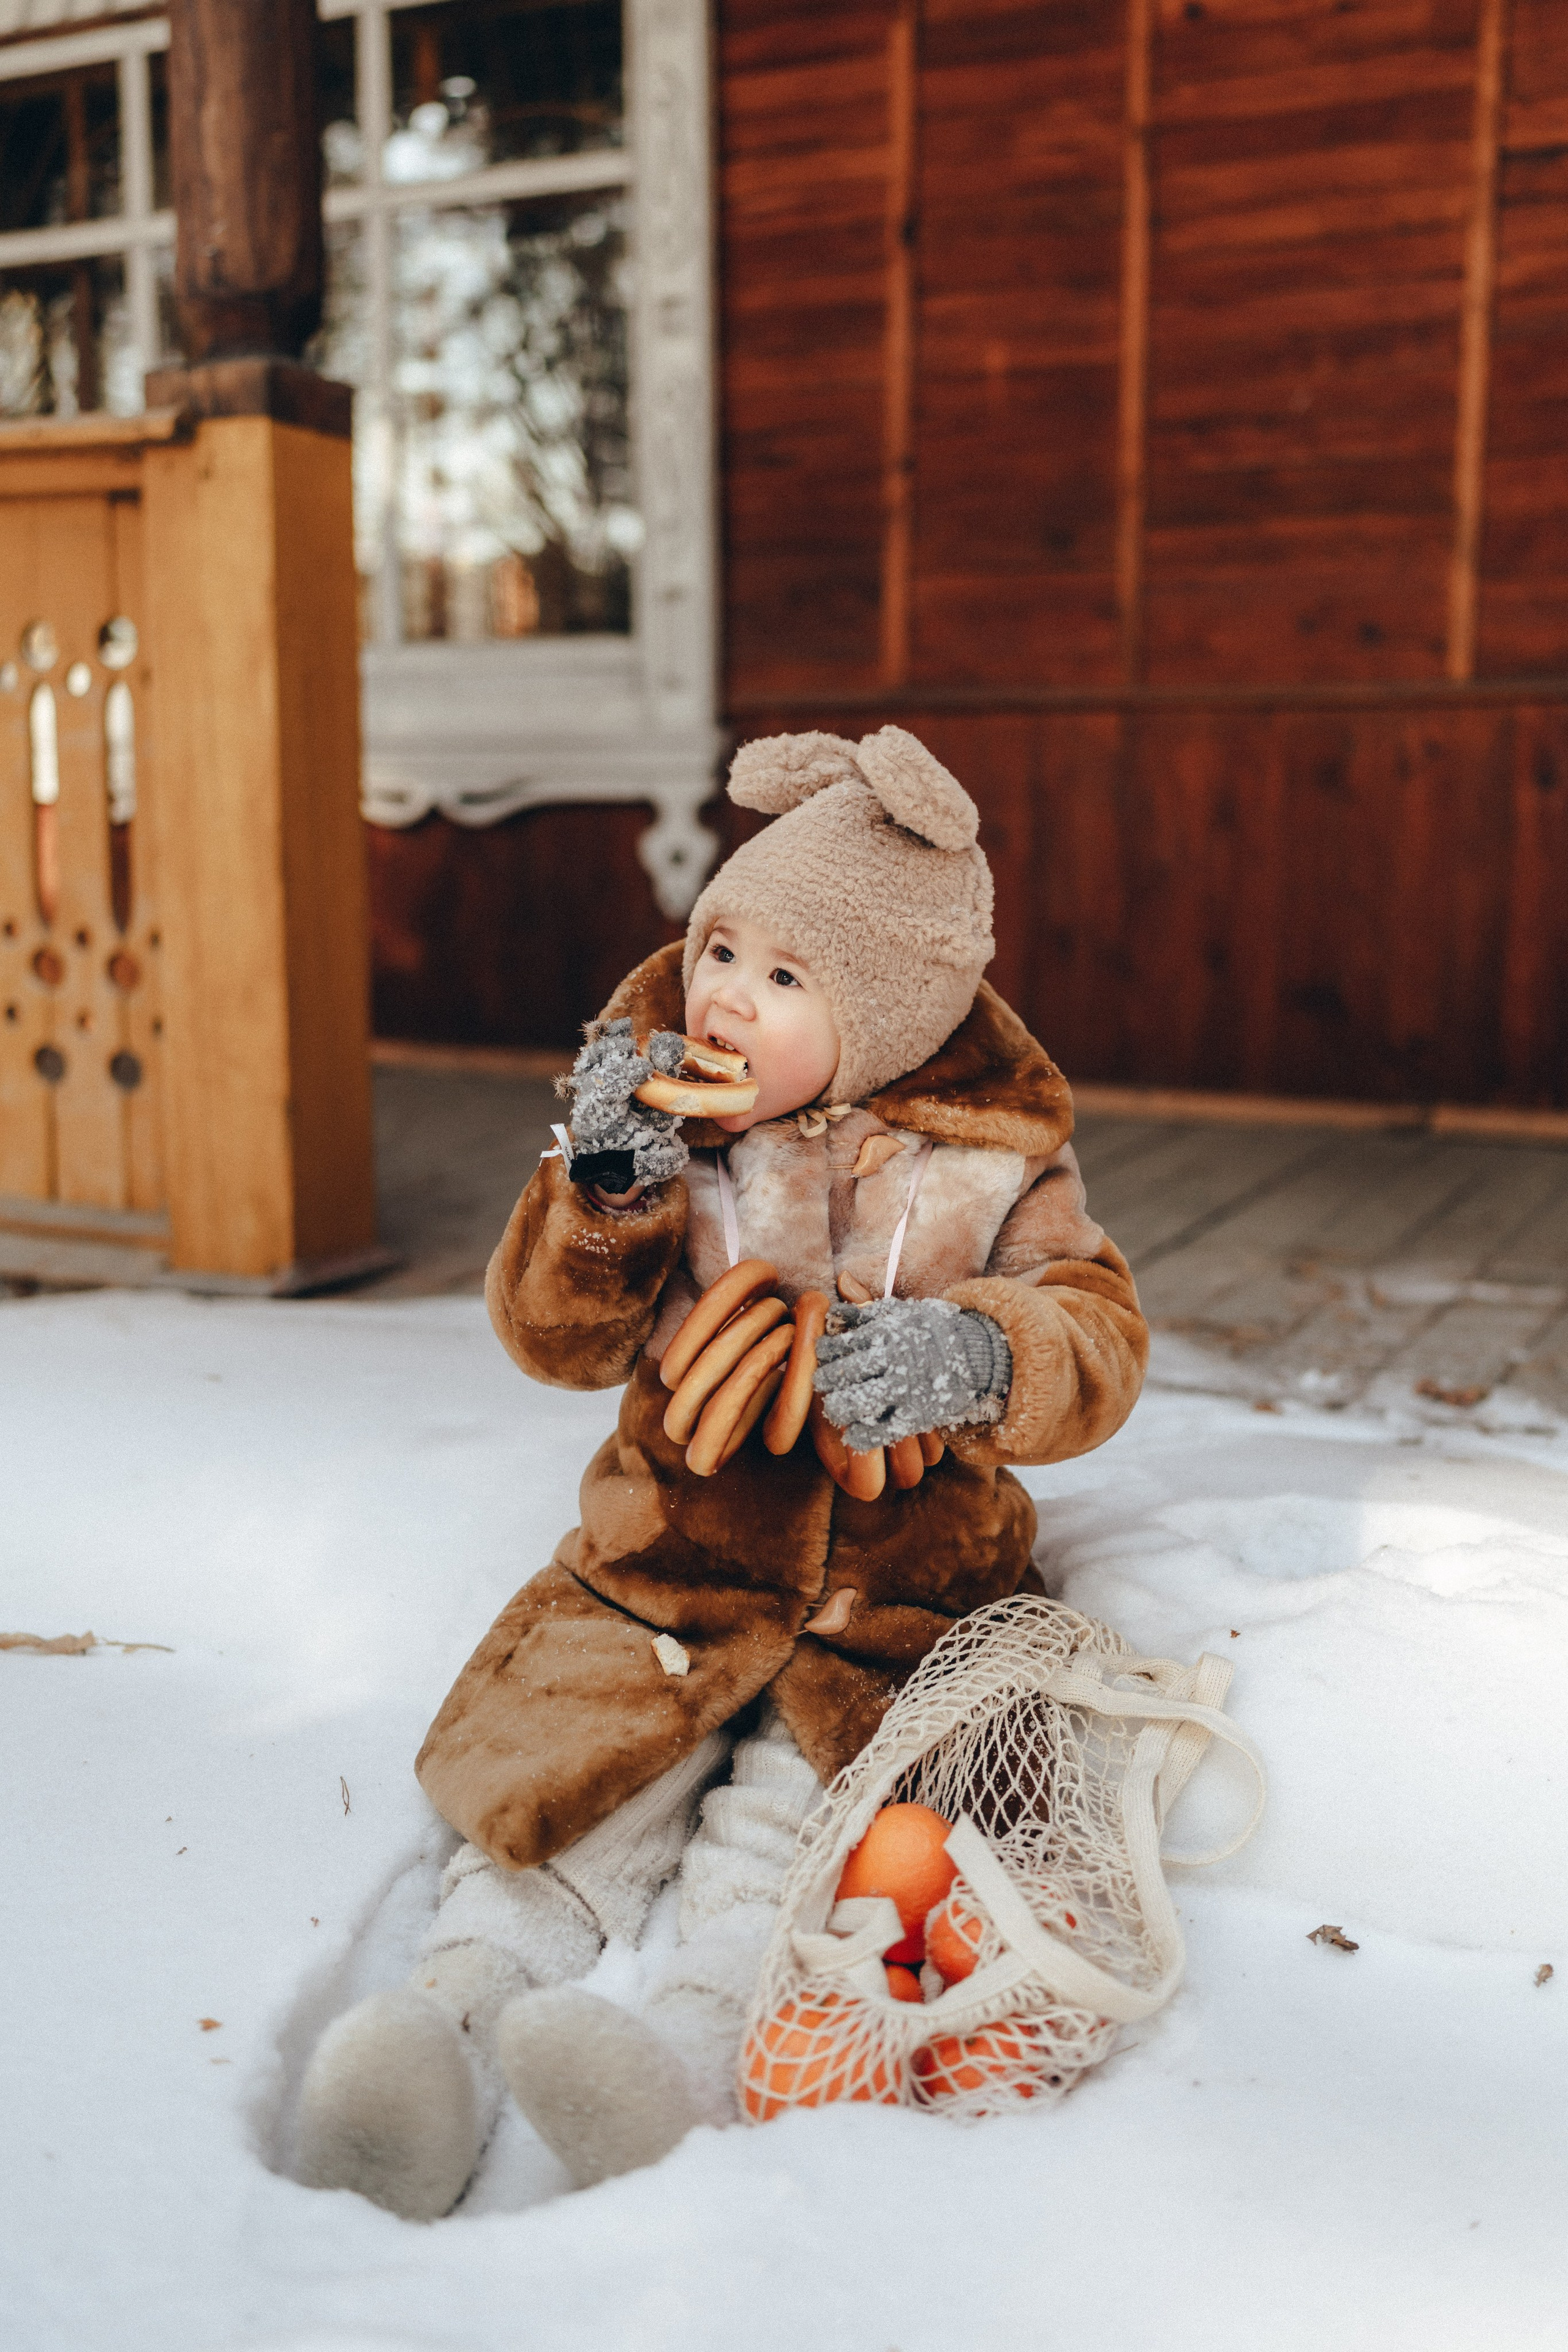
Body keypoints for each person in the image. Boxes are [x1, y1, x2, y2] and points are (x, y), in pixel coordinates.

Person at [296, 726, 1148, 2218]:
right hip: (667, 1565)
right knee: (573, 1790)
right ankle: (442, 2027)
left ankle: (684, 2060)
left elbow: (1095, 1334)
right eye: (719, 950)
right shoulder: (651, 1126)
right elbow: (552, 1339)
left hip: (891, 1603)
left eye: (783, 976)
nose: (725, 998)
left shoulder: (997, 1155)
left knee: (789, 1835)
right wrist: (602, 1191)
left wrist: (977, 1353)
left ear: (887, 1013)